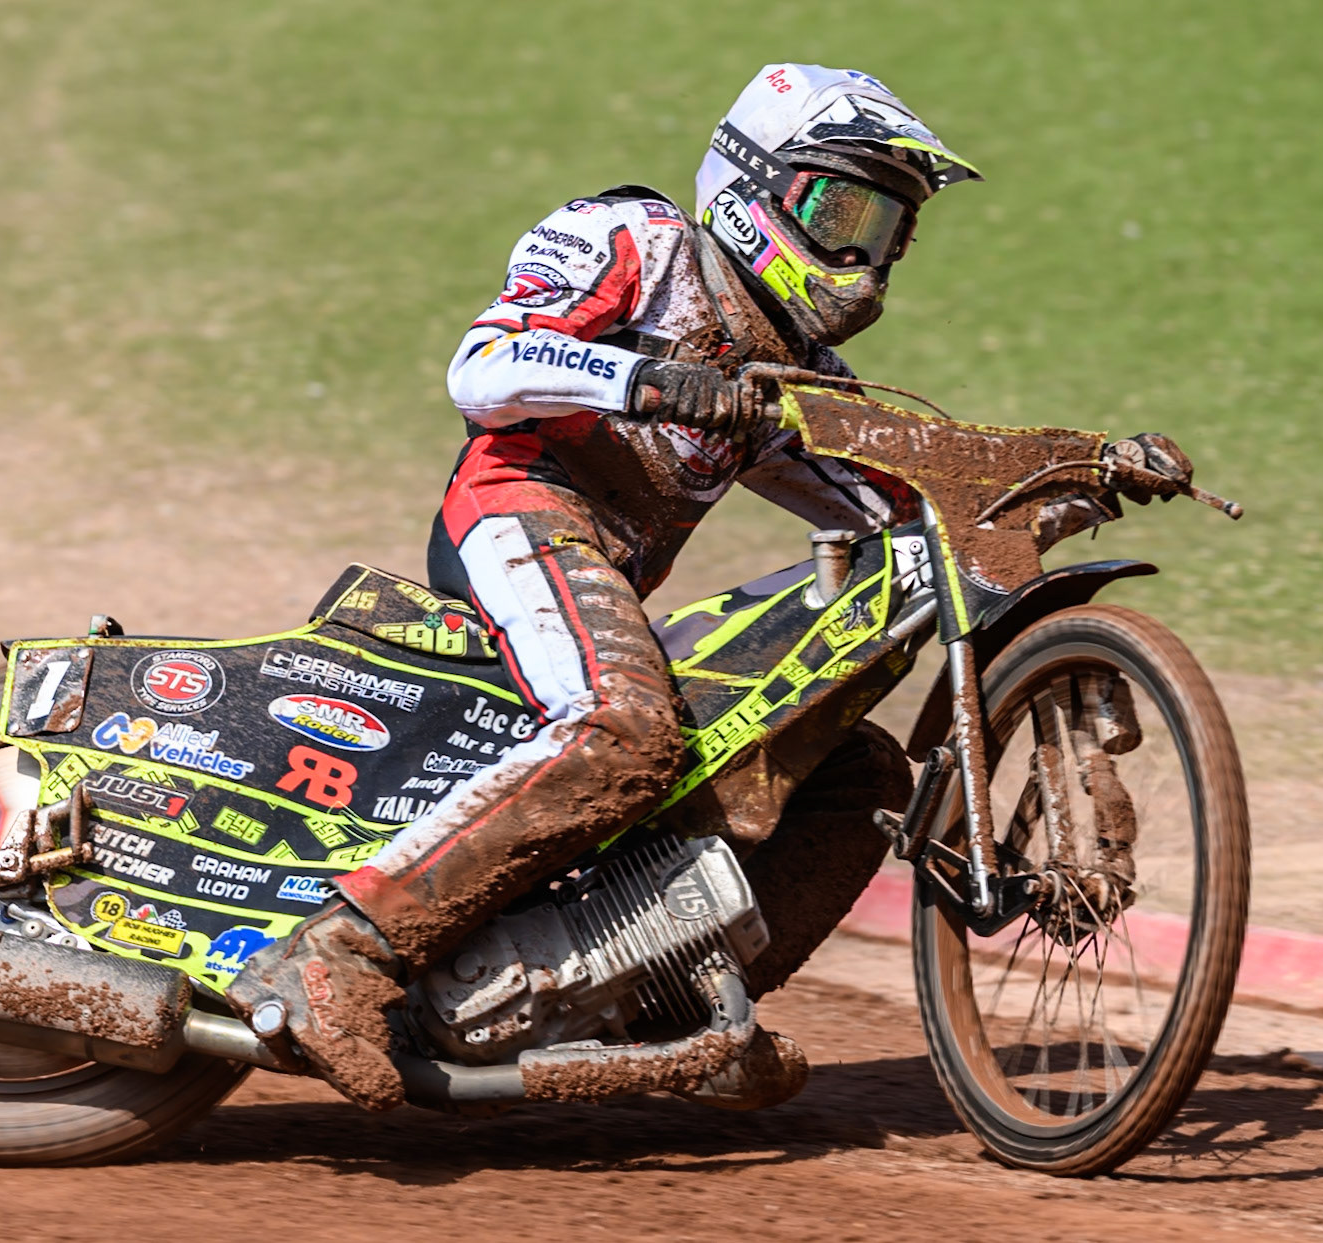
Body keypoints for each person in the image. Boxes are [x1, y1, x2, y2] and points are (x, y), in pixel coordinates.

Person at [228, 64, 1186, 1110]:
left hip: (613, 586)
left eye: (887, 228)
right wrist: (641, 376)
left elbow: (892, 497)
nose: (862, 255)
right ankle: (337, 955)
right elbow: (482, 367)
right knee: (628, 725)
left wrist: (1070, 474)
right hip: (519, 508)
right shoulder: (636, 242)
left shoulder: (797, 369)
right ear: (754, 187)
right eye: (841, 210)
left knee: (855, 773)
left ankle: (661, 1014)